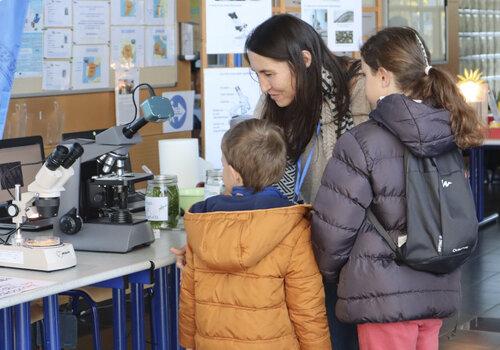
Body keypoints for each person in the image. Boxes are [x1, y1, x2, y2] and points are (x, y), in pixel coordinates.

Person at [311, 27, 484, 350]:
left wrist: (334, 274)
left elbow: (333, 229)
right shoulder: (445, 132)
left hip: (382, 295)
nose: (364, 86)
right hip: (437, 284)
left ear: (384, 76)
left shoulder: (362, 142)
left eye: (365, 74)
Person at [178, 119, 331, 350]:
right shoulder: (292, 227)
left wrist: (188, 342)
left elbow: (189, 295)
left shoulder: (203, 223)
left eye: (223, 165)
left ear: (234, 174)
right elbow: (307, 308)